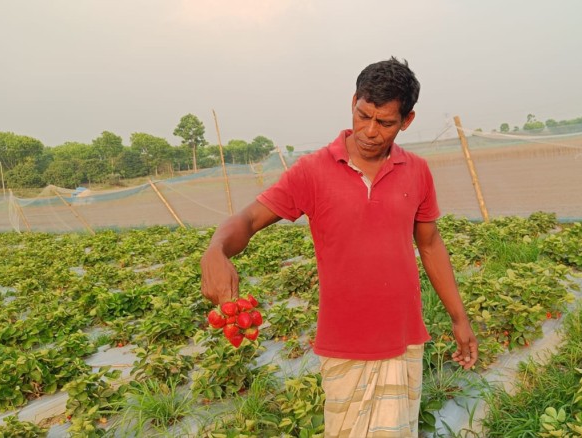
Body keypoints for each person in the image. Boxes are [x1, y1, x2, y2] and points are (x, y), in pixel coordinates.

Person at [200, 57, 478, 437]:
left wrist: (459, 319)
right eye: (363, 115)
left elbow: (430, 245)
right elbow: (248, 220)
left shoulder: (417, 171)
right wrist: (215, 250)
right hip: (344, 345)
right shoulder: (312, 171)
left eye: (385, 123)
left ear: (407, 121)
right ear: (353, 102)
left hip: (403, 338)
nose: (369, 131)